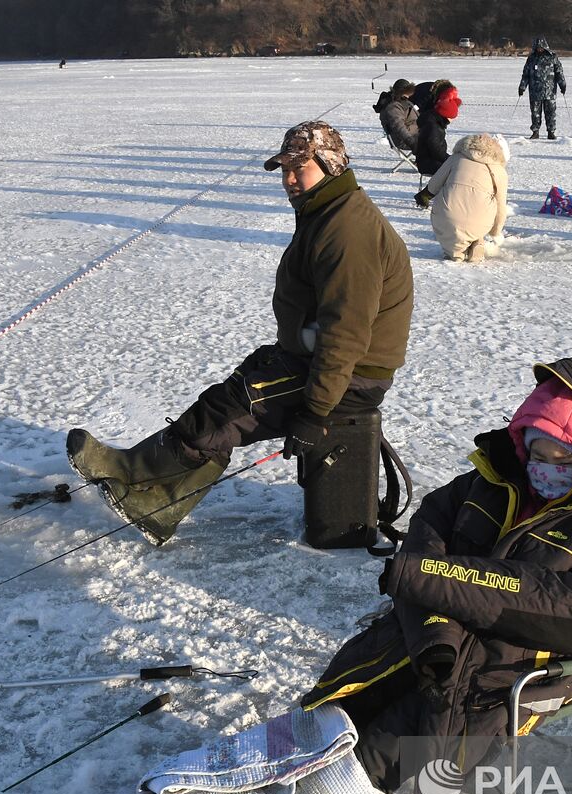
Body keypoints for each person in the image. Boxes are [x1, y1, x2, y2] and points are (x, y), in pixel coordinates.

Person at [301, 358, 572, 793]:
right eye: (536, 452)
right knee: (329, 720)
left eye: (562, 458)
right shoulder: (482, 485)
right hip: (426, 642)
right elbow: (422, 549)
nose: (543, 467)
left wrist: (442, 580)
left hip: (510, 674)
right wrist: (436, 636)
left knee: (370, 760)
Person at [67, 122, 414, 545]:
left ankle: (136, 477)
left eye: (298, 169)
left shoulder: (348, 231)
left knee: (229, 409)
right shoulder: (328, 211)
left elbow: (346, 334)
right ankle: (160, 501)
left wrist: (316, 412)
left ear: (329, 166)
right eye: (284, 169)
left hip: (351, 374)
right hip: (320, 356)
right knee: (233, 392)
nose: (288, 180)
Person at [413, 133, 509, 263]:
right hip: (479, 220)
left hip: (446, 217)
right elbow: (501, 208)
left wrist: (424, 196)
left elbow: (434, 185)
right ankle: (477, 241)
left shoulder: (456, 159)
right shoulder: (499, 171)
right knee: (483, 207)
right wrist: (495, 232)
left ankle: (455, 252)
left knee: (451, 228)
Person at [518, 37, 565, 140]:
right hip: (535, 92)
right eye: (538, 47)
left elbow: (559, 72)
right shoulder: (531, 58)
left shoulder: (553, 57)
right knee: (535, 113)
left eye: (541, 47)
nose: (539, 49)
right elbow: (525, 74)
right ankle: (535, 131)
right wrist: (522, 86)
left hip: (550, 92)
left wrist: (562, 84)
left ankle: (551, 132)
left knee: (551, 113)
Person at [414, 79, 461, 176]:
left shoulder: (436, 121)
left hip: (430, 160)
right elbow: (436, 150)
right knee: (457, 171)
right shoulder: (433, 125)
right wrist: (450, 160)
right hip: (428, 163)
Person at [373, 78, 419, 154]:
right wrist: (411, 142)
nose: (408, 97)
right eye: (407, 94)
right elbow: (399, 128)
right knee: (432, 143)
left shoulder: (401, 102)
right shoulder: (394, 107)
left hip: (412, 135)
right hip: (404, 140)